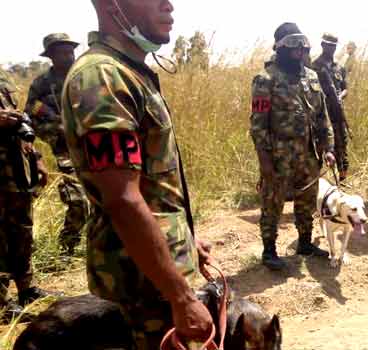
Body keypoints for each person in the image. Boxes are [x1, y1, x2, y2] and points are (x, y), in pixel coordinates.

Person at [61, 1, 214, 348]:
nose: (169, 4)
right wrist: (181, 297)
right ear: (112, 5)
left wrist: (186, 241)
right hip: (147, 286)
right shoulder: (102, 76)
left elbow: (150, 190)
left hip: (158, 275)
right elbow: (123, 200)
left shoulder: (129, 72)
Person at [250, 23, 336, 270]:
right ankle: (269, 251)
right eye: (293, 45)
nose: (299, 50)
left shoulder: (311, 76)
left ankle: (305, 243)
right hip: (279, 156)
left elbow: (322, 117)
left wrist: (328, 147)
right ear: (281, 47)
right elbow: (258, 125)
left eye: (302, 45)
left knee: (307, 200)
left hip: (309, 155)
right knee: (272, 203)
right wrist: (264, 161)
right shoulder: (265, 80)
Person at [25, 33, 90, 255]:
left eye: (70, 50)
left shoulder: (86, 76)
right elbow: (30, 115)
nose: (69, 55)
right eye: (62, 52)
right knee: (77, 200)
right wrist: (55, 129)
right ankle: (67, 247)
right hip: (65, 150)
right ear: (51, 56)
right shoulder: (42, 84)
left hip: (96, 146)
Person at [0, 69, 52, 315]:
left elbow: (20, 125)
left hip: (16, 169)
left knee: (21, 229)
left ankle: (26, 289)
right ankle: (1, 301)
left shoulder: (3, 79)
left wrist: (37, 160)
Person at [312, 33, 350, 181]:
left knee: (342, 146)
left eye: (333, 46)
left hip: (338, 113)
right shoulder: (315, 67)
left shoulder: (339, 67)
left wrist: (339, 97)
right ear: (322, 45)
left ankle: (342, 179)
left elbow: (345, 88)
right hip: (321, 115)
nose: (331, 48)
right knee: (322, 147)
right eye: (328, 45)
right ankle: (317, 183)